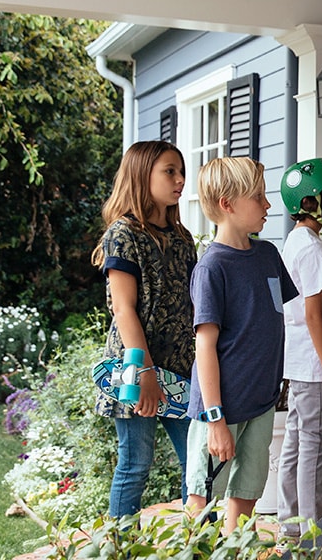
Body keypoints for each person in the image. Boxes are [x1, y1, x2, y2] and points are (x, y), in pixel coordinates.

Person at [184, 156, 298, 535]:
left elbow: (269, 323)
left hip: (261, 401)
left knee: (247, 491)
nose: (268, 205)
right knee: (203, 498)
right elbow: (205, 348)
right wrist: (215, 420)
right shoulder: (212, 268)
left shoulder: (267, 255)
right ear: (227, 205)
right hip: (221, 408)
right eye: (259, 197)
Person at [90, 140, 196, 518]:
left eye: (181, 171)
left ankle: (201, 546)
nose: (181, 179)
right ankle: (121, 547)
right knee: (135, 466)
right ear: (142, 174)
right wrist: (145, 372)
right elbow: (124, 309)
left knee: (200, 468)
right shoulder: (124, 235)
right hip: (136, 369)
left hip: (182, 372)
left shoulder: (183, 240)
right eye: (170, 171)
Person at [275, 158, 322, 537]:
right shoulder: (314, 250)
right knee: (314, 448)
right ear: (309, 204)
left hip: (302, 365)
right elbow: (313, 317)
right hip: (316, 368)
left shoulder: (298, 242)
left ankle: (291, 527)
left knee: (296, 442)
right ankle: (315, 533)